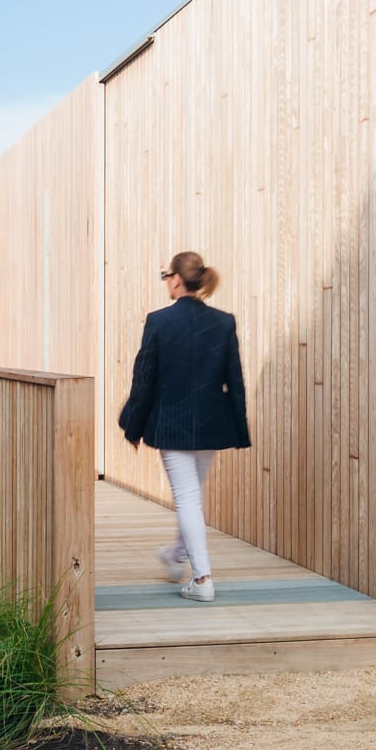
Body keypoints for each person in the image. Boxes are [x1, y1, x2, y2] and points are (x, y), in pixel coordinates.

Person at [117, 251, 250, 602]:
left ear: (176, 278)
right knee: (192, 497)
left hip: (172, 427)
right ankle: (176, 554)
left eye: (166, 275)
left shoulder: (159, 321)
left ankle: (203, 579)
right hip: (211, 425)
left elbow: (143, 379)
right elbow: (234, 381)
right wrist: (239, 429)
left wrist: (132, 426)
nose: (167, 281)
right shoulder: (224, 322)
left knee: (188, 498)